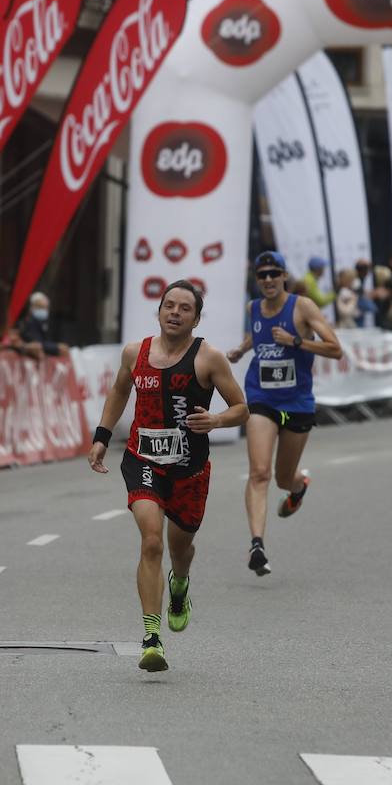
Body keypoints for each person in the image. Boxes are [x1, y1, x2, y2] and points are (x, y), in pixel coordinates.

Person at [87, 280, 249, 673]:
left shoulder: (208, 358)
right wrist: (101, 437)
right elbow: (119, 392)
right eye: (169, 306)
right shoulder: (135, 352)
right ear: (158, 311)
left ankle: (180, 585)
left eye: (185, 308)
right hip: (142, 459)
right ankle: (150, 636)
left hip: (189, 467)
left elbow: (241, 408)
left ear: (195, 318)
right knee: (152, 541)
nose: (175, 312)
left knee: (181, 549)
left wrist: (216, 419)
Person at [227, 252, 343, 576]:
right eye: (261, 275)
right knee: (259, 473)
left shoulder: (303, 307)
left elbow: (335, 348)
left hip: (297, 403)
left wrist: (296, 341)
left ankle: (298, 486)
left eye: (273, 274)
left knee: (282, 478)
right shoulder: (254, 308)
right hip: (262, 397)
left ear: (284, 276)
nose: (267, 280)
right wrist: (242, 348)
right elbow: (261, 331)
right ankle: (257, 546)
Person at [19, 292, 69, 358]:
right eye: (40, 307)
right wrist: (56, 347)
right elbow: (37, 344)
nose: (43, 310)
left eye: (45, 308)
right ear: (32, 307)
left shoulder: (47, 322)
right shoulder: (28, 322)